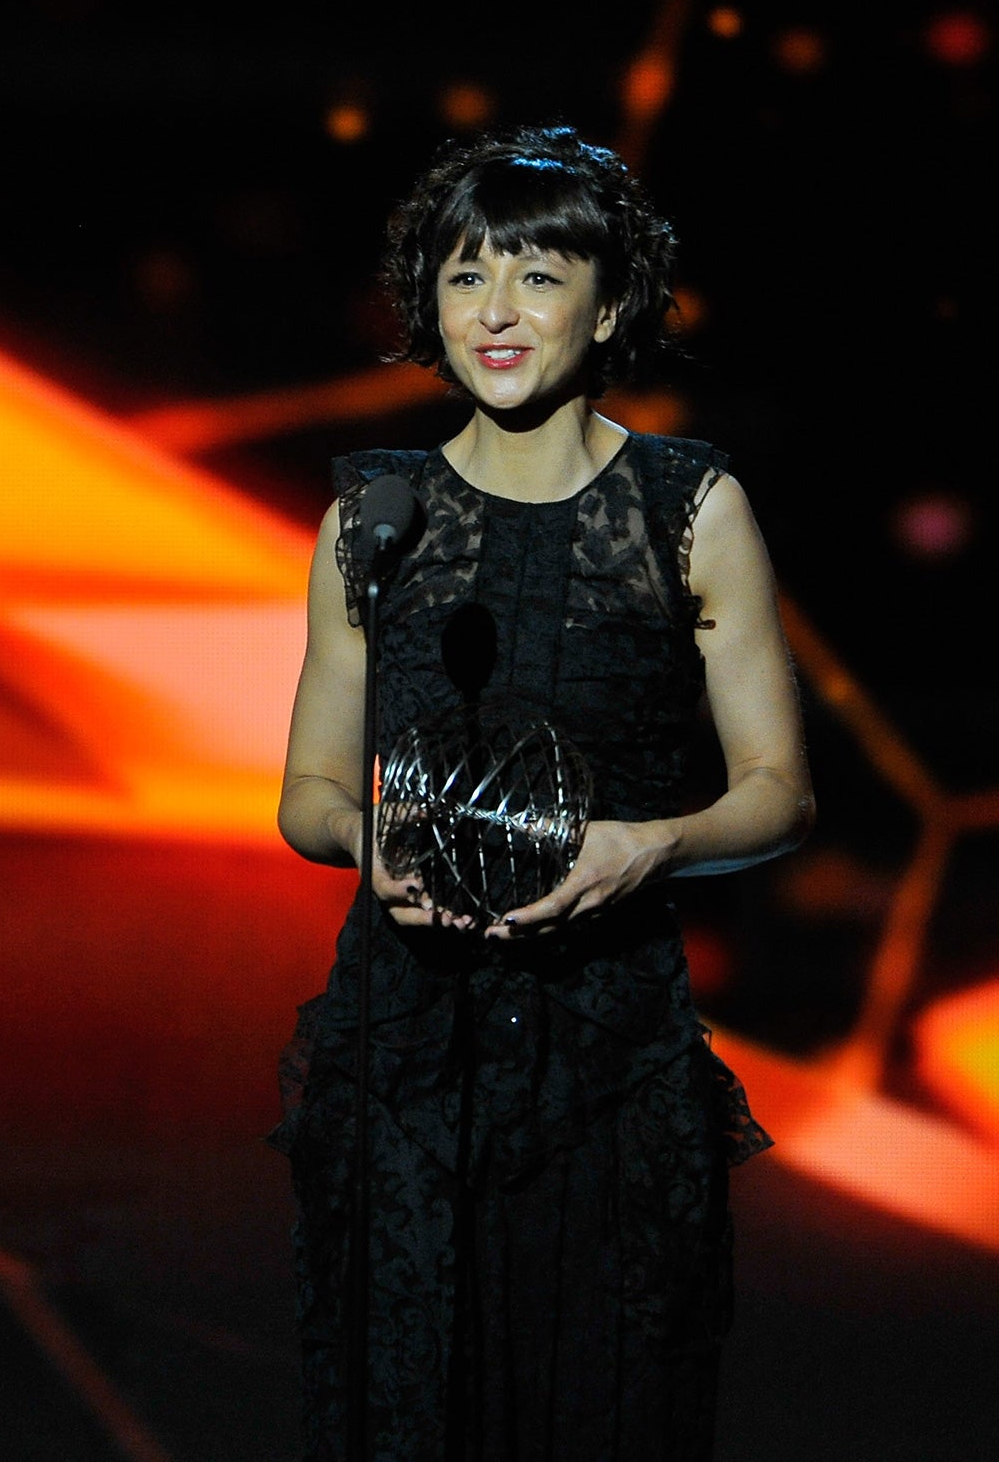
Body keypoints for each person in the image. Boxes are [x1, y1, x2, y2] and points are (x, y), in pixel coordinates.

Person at [271, 126, 813, 1460]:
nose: (495, 313)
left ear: (611, 301)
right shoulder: (373, 516)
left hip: (607, 1054)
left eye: (535, 275)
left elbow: (779, 794)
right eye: (464, 277)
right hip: (407, 1049)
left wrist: (652, 845)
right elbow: (308, 790)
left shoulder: (690, 507)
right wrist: (365, 839)